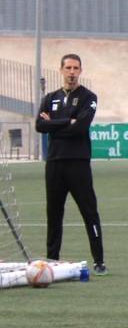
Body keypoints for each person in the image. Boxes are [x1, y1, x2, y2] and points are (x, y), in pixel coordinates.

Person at [34, 53, 106, 275]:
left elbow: (81, 127)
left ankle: (99, 260)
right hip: (55, 162)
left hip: (78, 162)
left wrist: (54, 125)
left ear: (80, 71)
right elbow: (39, 126)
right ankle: (52, 260)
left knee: (89, 211)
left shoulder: (88, 97)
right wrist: (67, 121)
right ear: (61, 70)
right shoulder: (50, 98)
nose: (72, 72)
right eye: (68, 68)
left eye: (76, 68)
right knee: (53, 213)